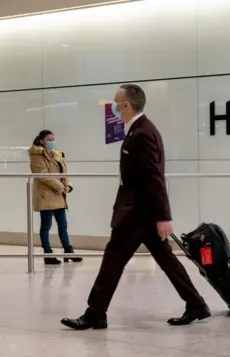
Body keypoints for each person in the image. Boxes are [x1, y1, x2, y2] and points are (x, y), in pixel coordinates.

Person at [61, 84, 209, 330]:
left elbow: (154, 177)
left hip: (137, 213)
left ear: (127, 105)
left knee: (113, 259)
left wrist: (164, 216)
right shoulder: (140, 130)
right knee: (166, 260)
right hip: (142, 212)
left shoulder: (142, 133)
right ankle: (196, 304)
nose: (115, 109)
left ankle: (95, 313)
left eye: (116, 104)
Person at [29, 130, 82, 265]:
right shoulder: (36, 155)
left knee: (63, 225)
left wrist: (68, 186)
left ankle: (68, 251)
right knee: (46, 225)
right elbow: (43, 174)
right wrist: (60, 187)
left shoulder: (57, 155)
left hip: (59, 195)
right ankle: (47, 253)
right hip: (46, 195)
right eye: (49, 139)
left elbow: (64, 173)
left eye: (53, 139)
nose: (52, 141)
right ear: (41, 141)